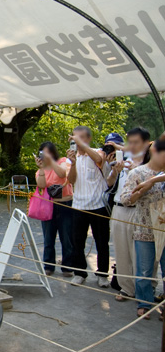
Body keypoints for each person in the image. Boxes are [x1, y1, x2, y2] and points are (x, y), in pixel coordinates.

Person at [120, 139, 165, 320]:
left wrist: (154, 180)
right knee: (144, 270)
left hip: (164, 228)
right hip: (145, 228)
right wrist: (140, 192)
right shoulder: (137, 172)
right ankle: (144, 303)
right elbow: (125, 199)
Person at [106, 128, 150, 301]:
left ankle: (145, 291)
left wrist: (135, 170)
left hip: (138, 210)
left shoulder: (150, 161)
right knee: (121, 250)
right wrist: (115, 171)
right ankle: (126, 288)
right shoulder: (121, 159)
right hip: (119, 208)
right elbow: (109, 183)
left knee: (140, 253)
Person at [67, 126, 111, 287]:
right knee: (77, 241)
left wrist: (82, 145)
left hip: (98, 205)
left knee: (102, 242)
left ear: (88, 139)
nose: (76, 142)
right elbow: (71, 181)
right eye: (74, 138)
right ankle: (79, 273)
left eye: (79, 138)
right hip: (78, 205)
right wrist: (72, 163)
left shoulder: (98, 152)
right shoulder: (71, 157)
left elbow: (100, 161)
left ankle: (102, 274)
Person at [34, 141, 74, 277]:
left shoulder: (63, 161)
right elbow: (41, 186)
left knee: (66, 237)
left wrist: (51, 161)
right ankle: (48, 265)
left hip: (65, 204)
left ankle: (67, 266)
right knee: (48, 238)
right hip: (48, 206)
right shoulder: (40, 169)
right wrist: (41, 169)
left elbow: (62, 174)